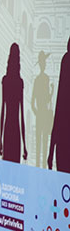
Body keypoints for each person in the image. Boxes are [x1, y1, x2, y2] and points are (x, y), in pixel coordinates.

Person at [0, 43, 27, 163]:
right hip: (16, 131)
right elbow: (22, 115)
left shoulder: (6, 80)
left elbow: (3, 111)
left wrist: (0, 140)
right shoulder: (19, 82)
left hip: (7, 129)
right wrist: (24, 144)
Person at [48, 36, 70, 173]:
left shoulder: (66, 60)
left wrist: (51, 149)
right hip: (63, 135)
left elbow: (59, 102)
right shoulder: (66, 60)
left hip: (62, 136)